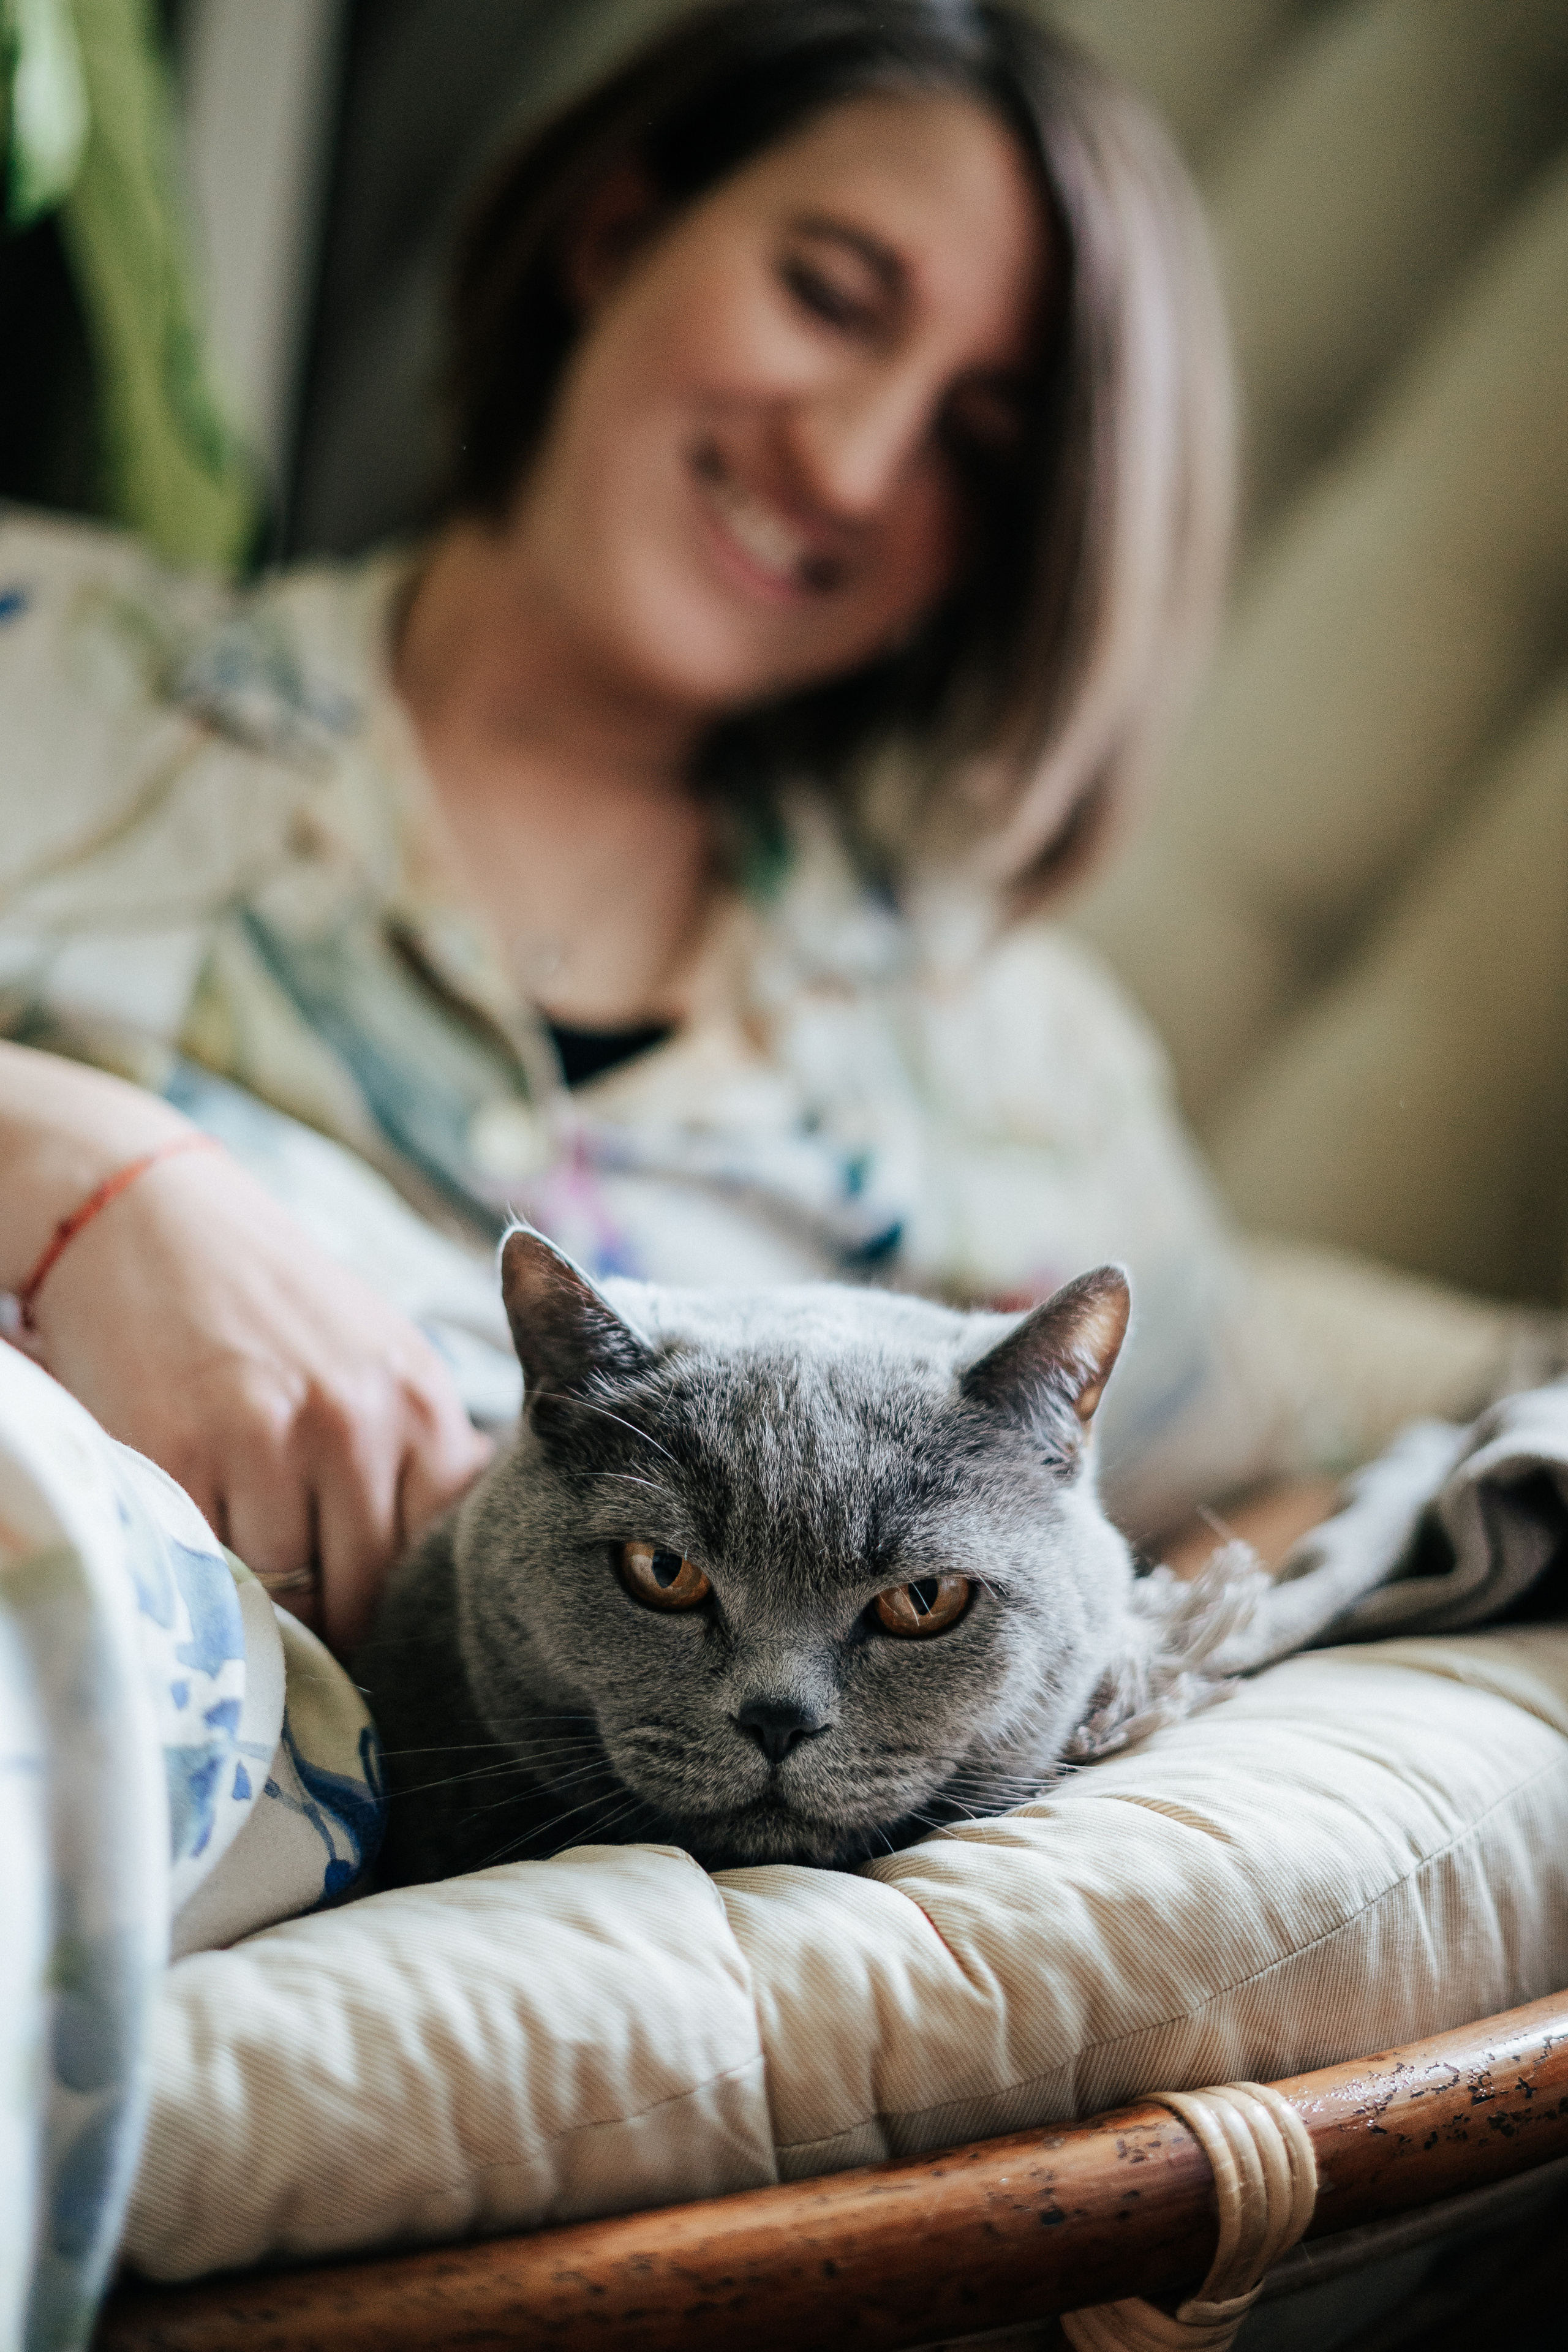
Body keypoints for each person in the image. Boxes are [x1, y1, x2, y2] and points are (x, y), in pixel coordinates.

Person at [1, 0, 1513, 1659]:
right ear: (618, 231)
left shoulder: (1010, 1054)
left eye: (974, 441)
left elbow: (1269, 1508)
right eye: (831, 298)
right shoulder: (38, 661)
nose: (852, 465)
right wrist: (73, 1165)